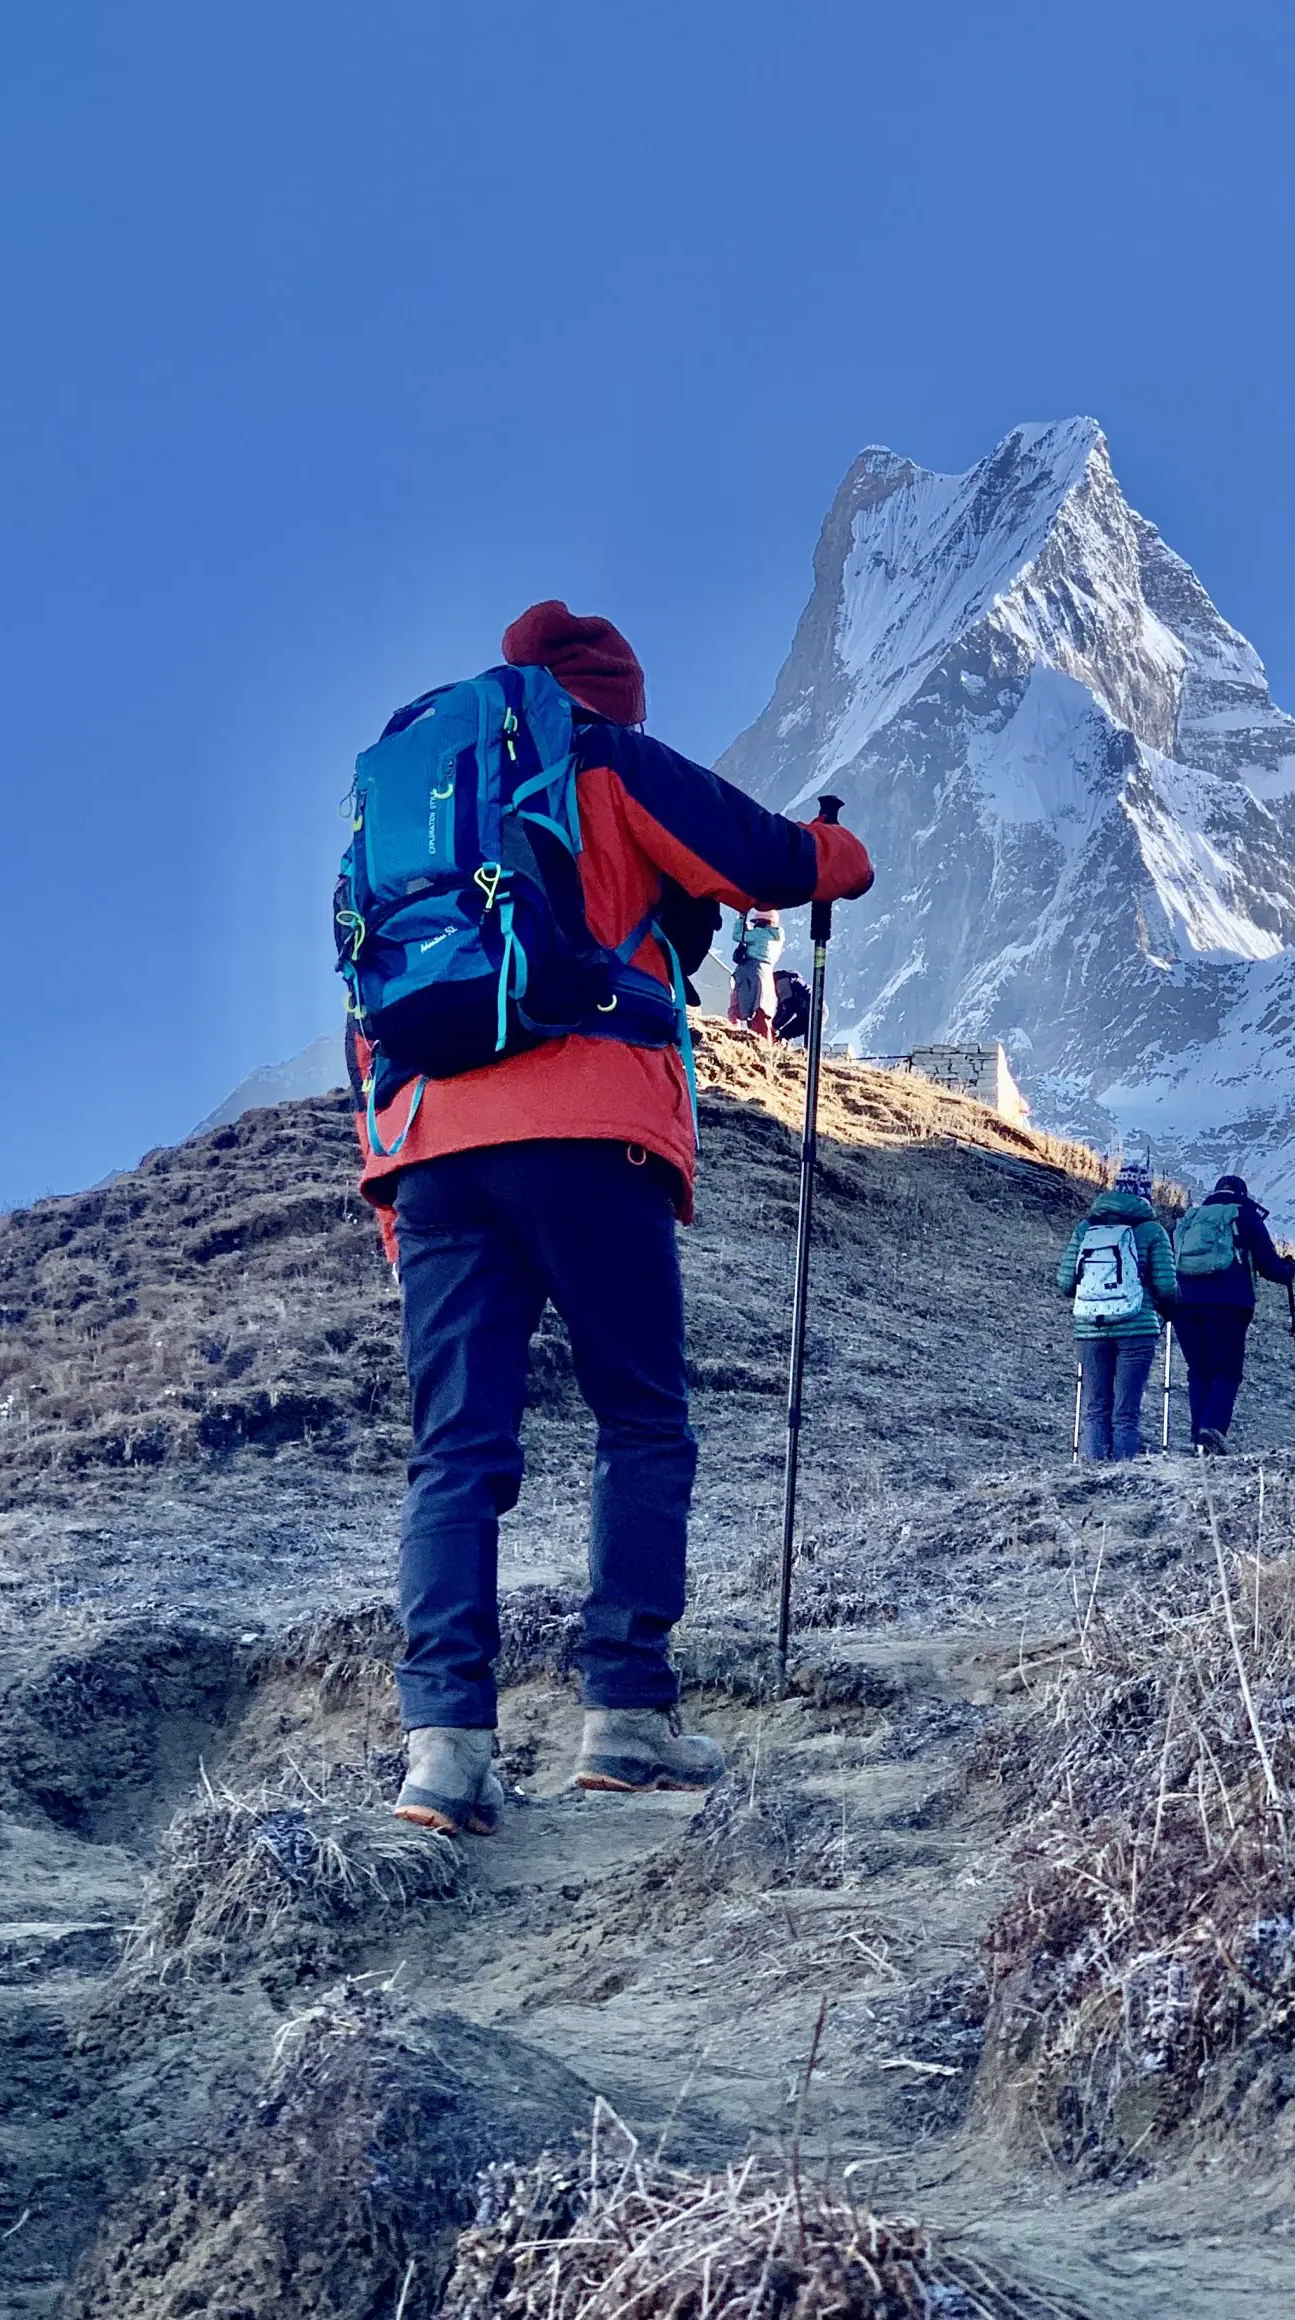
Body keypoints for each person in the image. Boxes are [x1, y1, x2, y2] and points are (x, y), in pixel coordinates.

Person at [349, 600, 874, 1833]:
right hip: (588, 1129)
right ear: (615, 697)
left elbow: (372, 1005)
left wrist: (395, 1193)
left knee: (455, 1451)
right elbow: (771, 863)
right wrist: (839, 852)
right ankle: (626, 1719)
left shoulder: (422, 803)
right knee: (640, 1418)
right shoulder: (606, 760)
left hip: (429, 1151)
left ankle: (444, 1753)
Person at [1056, 1163, 1177, 1461]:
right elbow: (1166, 1286)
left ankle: (1091, 1471)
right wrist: (1170, 1308)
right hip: (1137, 1329)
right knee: (1126, 1411)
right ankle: (1121, 1475)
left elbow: (1065, 1282)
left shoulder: (1086, 1228)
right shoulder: (1152, 1231)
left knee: (1095, 1407)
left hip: (1090, 1329)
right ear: (1145, 1194)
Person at [1170, 1174, 1295, 1455]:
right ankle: (1212, 1432)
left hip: (1184, 1304)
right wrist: (1289, 1270)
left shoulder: (1191, 1218)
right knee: (1226, 1371)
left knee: (1198, 1371)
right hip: (1228, 1304)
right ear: (1242, 1193)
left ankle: (1197, 1438)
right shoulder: (1245, 1216)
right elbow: (1269, 1265)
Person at [727, 906, 784, 1037]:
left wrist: (741, 918)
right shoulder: (776, 937)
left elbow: (737, 936)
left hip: (750, 970)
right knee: (761, 1007)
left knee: (739, 1005)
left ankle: (734, 1032)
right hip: (765, 972)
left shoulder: (759, 934)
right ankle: (764, 1040)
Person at [771, 965, 811, 1045]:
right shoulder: (786, 979)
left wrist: (775, 1026)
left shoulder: (781, 982)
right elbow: (781, 1009)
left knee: (784, 1035)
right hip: (813, 1011)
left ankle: (783, 1054)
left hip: (811, 1014)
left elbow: (790, 1009)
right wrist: (773, 1024)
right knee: (785, 1034)